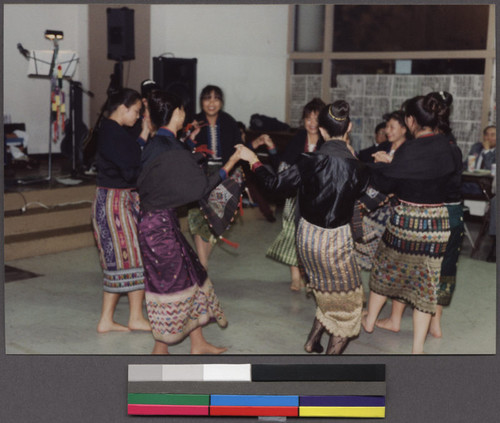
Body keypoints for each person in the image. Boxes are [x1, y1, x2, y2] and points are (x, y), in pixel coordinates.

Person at [236, 100, 370, 355]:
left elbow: (275, 185)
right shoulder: (358, 168)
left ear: (321, 130)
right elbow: (367, 196)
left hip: (306, 239)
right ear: (349, 127)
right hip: (335, 242)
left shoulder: (309, 161)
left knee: (325, 288)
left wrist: (253, 159)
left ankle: (312, 342)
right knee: (349, 305)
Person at [137, 90, 242, 355]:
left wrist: (190, 149)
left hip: (156, 222)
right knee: (172, 286)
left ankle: (198, 343)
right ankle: (159, 350)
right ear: (176, 114)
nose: (185, 113)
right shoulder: (171, 148)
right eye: (182, 109)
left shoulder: (156, 143)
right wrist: (233, 161)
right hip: (159, 228)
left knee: (192, 277)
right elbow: (200, 189)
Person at [362, 91, 457, 354]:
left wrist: (381, 166)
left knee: (385, 268)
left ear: (412, 121)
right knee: (426, 285)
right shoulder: (448, 146)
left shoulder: (410, 149)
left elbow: (388, 182)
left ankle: (369, 320)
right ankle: (417, 349)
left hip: (407, 220)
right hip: (437, 223)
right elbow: (451, 185)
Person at [91, 88, 151, 333]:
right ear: (124, 108)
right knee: (127, 258)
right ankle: (129, 318)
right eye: (136, 111)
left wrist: (145, 132)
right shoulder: (112, 132)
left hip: (119, 199)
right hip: (114, 201)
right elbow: (131, 167)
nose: (137, 116)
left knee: (127, 259)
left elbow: (131, 154)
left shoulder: (112, 130)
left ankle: (115, 319)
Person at [263, 97, 326, 290]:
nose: (312, 123)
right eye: (308, 118)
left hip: (318, 198)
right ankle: (295, 276)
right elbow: (284, 168)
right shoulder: (298, 139)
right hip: (295, 196)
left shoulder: (327, 141)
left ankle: (311, 275)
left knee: (314, 238)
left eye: (316, 119)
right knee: (292, 233)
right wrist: (272, 150)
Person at [186, 85, 243, 269]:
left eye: (216, 98)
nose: (212, 103)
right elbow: (182, 148)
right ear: (201, 101)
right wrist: (190, 138)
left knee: (214, 219)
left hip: (223, 175)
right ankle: (203, 264)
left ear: (222, 102)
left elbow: (238, 149)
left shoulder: (229, 122)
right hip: (198, 174)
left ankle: (201, 264)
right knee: (197, 217)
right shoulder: (192, 121)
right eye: (207, 98)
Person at [354, 110, 410, 271]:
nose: (388, 131)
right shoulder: (384, 147)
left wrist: (388, 164)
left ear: (404, 129)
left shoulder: (407, 151)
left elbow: (404, 178)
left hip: (392, 204)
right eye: (387, 126)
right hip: (375, 199)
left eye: (392, 127)